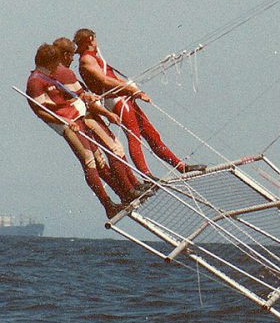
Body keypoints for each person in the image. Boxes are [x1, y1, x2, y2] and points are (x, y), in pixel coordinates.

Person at [73, 28, 205, 177]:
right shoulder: (87, 59)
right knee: (134, 136)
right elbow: (104, 80)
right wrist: (130, 89)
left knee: (152, 134)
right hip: (116, 100)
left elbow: (113, 78)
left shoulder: (95, 57)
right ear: (91, 39)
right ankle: (146, 174)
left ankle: (180, 166)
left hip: (124, 97)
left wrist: (134, 90)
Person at [25, 44, 135, 219]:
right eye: (54, 64)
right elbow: (40, 110)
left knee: (99, 159)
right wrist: (64, 121)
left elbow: (69, 95)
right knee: (89, 161)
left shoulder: (48, 77)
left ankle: (122, 195)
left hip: (76, 118)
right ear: (48, 62)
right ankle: (107, 204)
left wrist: (85, 98)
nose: (56, 69)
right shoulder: (35, 82)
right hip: (67, 125)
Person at [52, 37, 147, 200]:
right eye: (71, 56)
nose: (73, 59)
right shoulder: (64, 73)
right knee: (114, 149)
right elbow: (85, 99)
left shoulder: (55, 72)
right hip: (86, 117)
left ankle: (131, 186)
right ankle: (129, 190)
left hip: (82, 117)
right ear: (66, 55)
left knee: (104, 156)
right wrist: (108, 113)